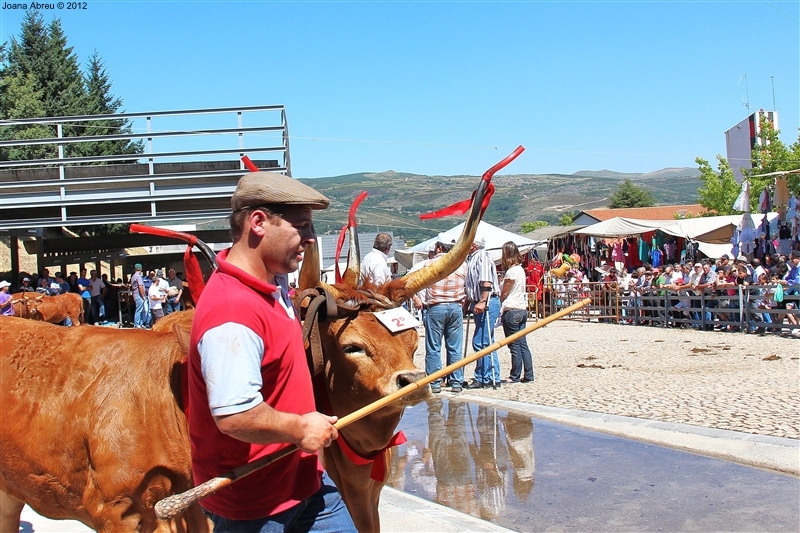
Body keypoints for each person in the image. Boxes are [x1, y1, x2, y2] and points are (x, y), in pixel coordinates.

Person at [187, 171, 355, 532]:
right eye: (303, 226)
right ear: (259, 223)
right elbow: (235, 416)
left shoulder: (274, 283)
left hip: (303, 480)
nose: (311, 238)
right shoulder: (232, 311)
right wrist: (300, 428)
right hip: (254, 502)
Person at [411, 236, 466, 394]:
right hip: (455, 306)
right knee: (455, 347)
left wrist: (416, 298)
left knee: (434, 347)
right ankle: (456, 381)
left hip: (435, 307)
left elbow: (410, 282)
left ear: (439, 248)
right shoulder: (461, 264)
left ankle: (435, 382)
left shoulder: (428, 264)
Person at [465, 237, 502, 389]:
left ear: (473, 245)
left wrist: (482, 301)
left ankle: (484, 377)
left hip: (486, 301)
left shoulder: (482, 256)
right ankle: (492, 375)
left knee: (480, 341)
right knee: (487, 340)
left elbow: (486, 281)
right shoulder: (471, 258)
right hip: (478, 300)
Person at [499, 241, 534, 384]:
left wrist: (500, 300)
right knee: (522, 343)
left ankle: (515, 375)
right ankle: (529, 374)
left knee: (514, 344)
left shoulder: (512, 271)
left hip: (512, 309)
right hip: (521, 307)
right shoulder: (520, 269)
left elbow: (505, 292)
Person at [130, 263, 147, 329]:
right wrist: (143, 296)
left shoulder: (133, 276)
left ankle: (139, 323)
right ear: (141, 269)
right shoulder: (138, 276)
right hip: (139, 295)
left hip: (135, 294)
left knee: (140, 309)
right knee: (139, 310)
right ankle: (137, 324)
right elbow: (140, 286)